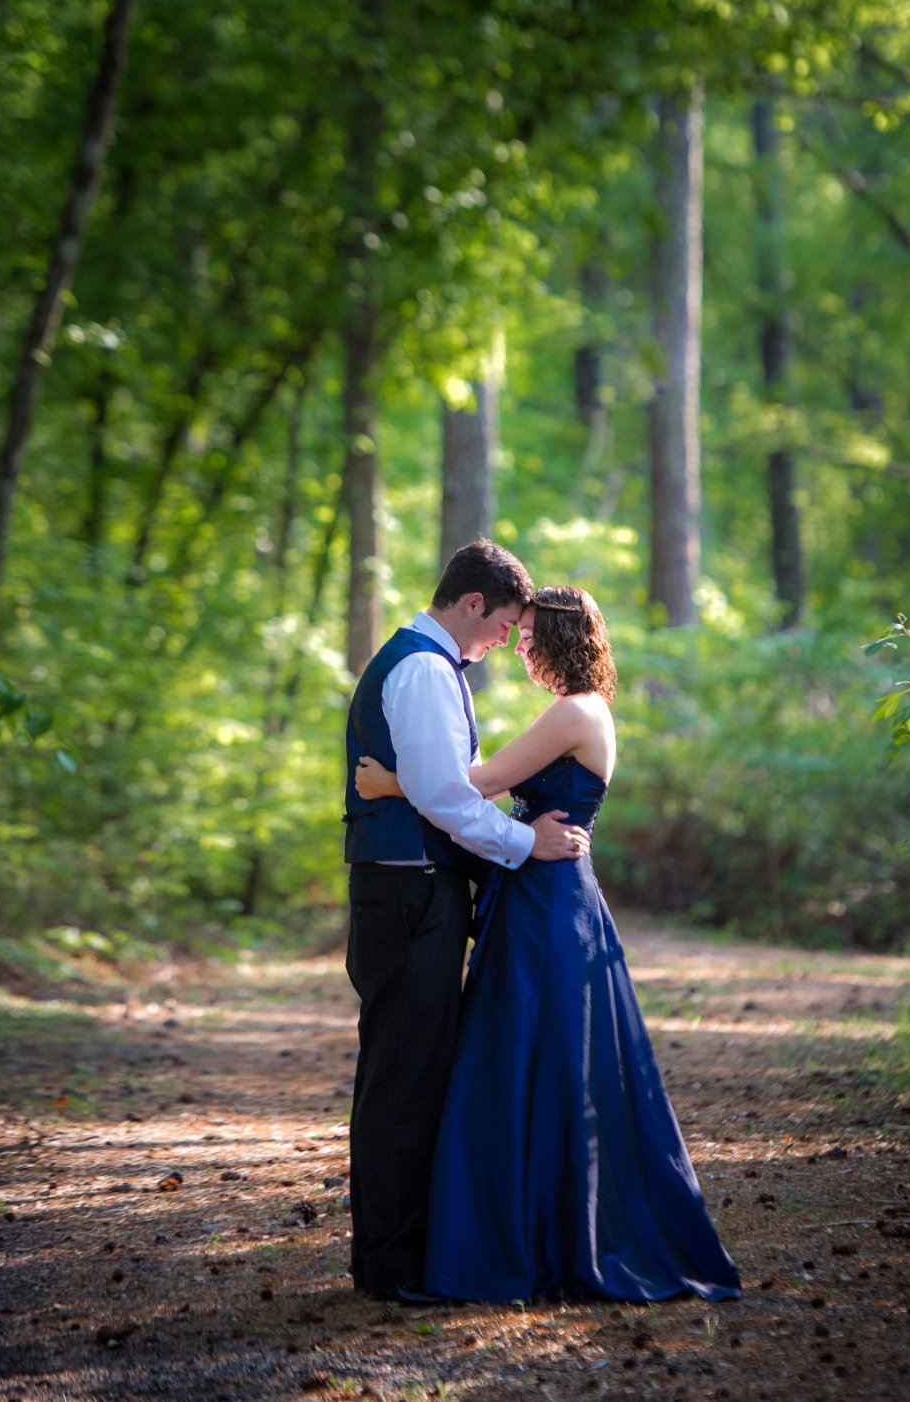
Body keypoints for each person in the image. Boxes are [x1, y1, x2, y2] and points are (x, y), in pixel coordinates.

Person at [356, 584, 742, 1304]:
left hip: (548, 897)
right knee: (537, 1055)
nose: (519, 643)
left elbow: (477, 781)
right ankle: (536, 1225)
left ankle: (539, 1235)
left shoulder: (572, 711)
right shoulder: (582, 709)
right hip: (542, 888)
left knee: (537, 1055)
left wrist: (386, 785)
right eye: (518, 630)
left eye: (530, 634)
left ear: (561, 638)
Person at [342, 541, 590, 1302]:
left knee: (415, 1073)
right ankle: (389, 1267)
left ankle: (406, 1256)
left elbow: (437, 788)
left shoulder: (432, 666)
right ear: (473, 603)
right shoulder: (421, 667)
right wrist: (525, 844)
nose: (506, 643)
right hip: (408, 890)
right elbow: (447, 796)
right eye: (505, 624)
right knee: (402, 1078)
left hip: (419, 887)